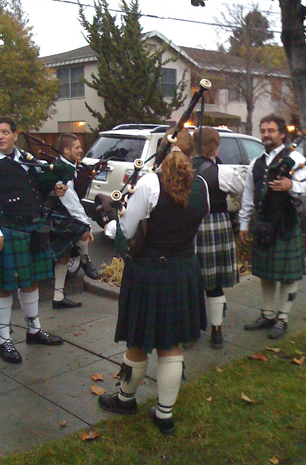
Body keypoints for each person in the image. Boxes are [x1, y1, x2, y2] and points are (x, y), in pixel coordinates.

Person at [97, 128, 209, 435]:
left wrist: (108, 224)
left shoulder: (149, 182)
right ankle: (164, 415)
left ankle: (124, 399)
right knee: (170, 342)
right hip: (183, 268)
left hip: (149, 271)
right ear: (191, 152)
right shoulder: (201, 184)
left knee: (138, 338)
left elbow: (127, 232)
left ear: (160, 150)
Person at [0, 116, 64, 364]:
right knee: (4, 286)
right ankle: (4, 340)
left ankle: (33, 331)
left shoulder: (26, 161)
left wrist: (55, 191)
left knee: (30, 282)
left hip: (32, 230)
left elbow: (35, 191)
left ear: (15, 135)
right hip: (7, 232)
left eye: (4, 132)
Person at [239, 114, 306, 339]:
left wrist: (291, 184)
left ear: (282, 134)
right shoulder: (256, 162)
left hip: (286, 224)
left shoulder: (295, 157)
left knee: (288, 277)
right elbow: (248, 195)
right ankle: (269, 314)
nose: (265, 135)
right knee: (266, 274)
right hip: (263, 224)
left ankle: (283, 318)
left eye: (270, 130)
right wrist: (243, 223)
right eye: (263, 130)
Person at [192, 127, 244, 349]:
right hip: (215, 225)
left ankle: (189, 332)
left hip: (187, 227)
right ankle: (216, 331)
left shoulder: (182, 169)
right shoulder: (223, 172)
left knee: (191, 282)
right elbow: (239, 189)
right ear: (215, 145)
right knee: (213, 284)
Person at [47, 133, 99, 310]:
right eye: (77, 148)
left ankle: (58, 297)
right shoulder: (63, 170)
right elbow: (71, 202)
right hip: (58, 214)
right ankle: (85, 259)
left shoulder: (69, 165)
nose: (80, 150)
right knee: (83, 231)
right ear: (66, 150)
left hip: (58, 212)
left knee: (63, 257)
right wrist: (87, 224)